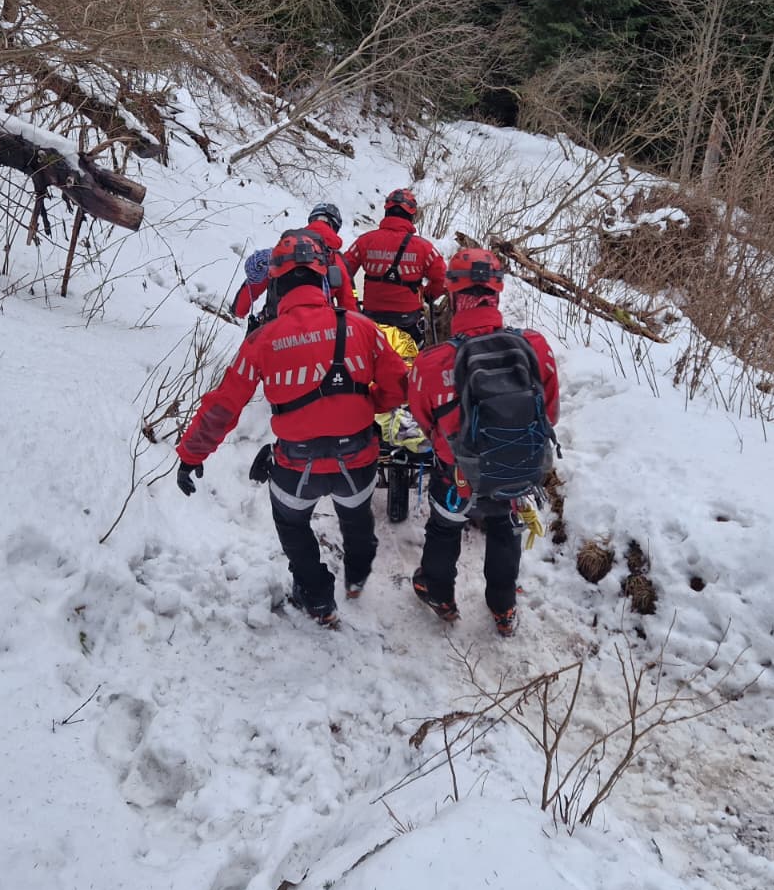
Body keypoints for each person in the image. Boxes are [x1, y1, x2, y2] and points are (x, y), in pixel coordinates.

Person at [176, 231, 409, 628]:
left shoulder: (263, 340)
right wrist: (367, 402)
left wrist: (191, 454)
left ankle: (318, 599)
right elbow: (397, 386)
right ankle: (357, 576)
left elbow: (225, 405)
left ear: (278, 283)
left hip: (297, 468)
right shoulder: (361, 327)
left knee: (292, 525)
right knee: (356, 519)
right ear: (323, 279)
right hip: (357, 461)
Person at [407, 248, 560, 637]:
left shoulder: (431, 362)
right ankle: (503, 606)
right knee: (505, 528)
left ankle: (439, 594)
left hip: (459, 476)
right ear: (498, 292)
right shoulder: (534, 346)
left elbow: (425, 422)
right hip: (517, 470)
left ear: (452, 294)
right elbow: (550, 414)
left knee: (444, 528)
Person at [231, 202, 358, 329]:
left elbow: (254, 283)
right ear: (335, 227)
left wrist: (237, 312)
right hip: (317, 330)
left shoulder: (287, 247)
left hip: (274, 326)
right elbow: (349, 303)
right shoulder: (337, 260)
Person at [347, 188, 447, 342]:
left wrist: (352, 303)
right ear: (411, 216)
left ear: (387, 212)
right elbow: (442, 279)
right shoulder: (424, 247)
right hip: (409, 321)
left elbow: (342, 272)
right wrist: (427, 295)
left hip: (372, 319)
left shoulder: (364, 241)